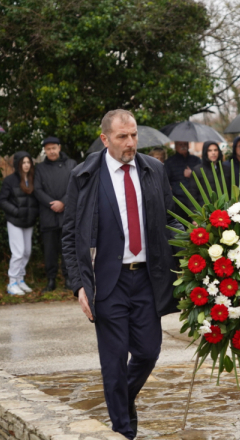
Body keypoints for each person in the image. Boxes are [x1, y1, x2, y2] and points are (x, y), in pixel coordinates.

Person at [62, 110, 182, 439]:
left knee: (147, 352)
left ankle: (120, 400)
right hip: (106, 282)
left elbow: (170, 219)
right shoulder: (84, 176)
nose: (130, 143)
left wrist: (200, 241)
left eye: (133, 136)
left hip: (147, 279)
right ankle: (123, 429)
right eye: (122, 137)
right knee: (113, 361)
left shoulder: (154, 170)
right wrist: (78, 286)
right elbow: (70, 234)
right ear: (105, 139)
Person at [34, 136, 78, 292]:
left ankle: (69, 279)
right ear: (44, 151)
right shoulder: (39, 168)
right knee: (50, 250)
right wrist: (52, 204)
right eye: (48, 149)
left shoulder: (71, 164)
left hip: (67, 214)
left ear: (59, 148)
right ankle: (51, 280)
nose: (51, 151)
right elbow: (37, 190)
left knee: (68, 249)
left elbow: (76, 186)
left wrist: (63, 203)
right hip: (48, 214)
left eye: (53, 148)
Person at [0, 152, 39, 296]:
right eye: (23, 162)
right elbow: (2, 200)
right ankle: (12, 282)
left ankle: (20, 279)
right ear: (18, 164)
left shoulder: (34, 179)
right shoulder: (10, 180)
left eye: (28, 162)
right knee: (18, 252)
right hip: (15, 221)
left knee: (27, 252)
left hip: (29, 221)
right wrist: (15, 211)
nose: (26, 165)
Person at [164, 141, 201, 218]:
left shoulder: (196, 160)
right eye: (180, 144)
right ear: (175, 146)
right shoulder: (169, 162)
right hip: (177, 201)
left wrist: (192, 174)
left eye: (185, 144)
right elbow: (165, 180)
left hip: (195, 200)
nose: (183, 146)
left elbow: (204, 177)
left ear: (188, 145)